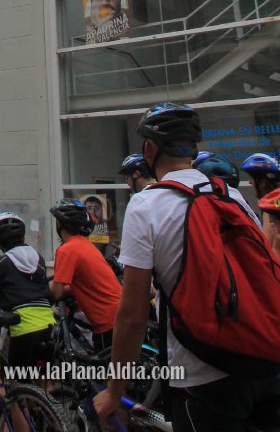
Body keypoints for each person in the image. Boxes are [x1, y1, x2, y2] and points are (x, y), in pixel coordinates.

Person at [94, 102, 280, 431]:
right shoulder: (230, 194)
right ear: (192, 149)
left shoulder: (145, 205)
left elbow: (133, 315)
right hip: (265, 362)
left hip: (200, 377)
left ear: (149, 150)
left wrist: (114, 392)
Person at [49, 198, 121, 351]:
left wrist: (41, 289)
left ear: (59, 223)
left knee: (109, 366)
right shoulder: (86, 244)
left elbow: (57, 292)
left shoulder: (66, 250)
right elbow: (87, 282)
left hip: (106, 319)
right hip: (118, 312)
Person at [0, 212, 55, 368]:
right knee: (43, 376)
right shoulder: (39, 259)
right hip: (48, 324)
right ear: (23, 237)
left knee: (17, 377)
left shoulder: (3, 262)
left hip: (23, 327)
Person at [241, 152, 280, 261]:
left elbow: (266, 250)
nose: (250, 182)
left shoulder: (271, 210)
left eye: (252, 179)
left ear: (262, 182)